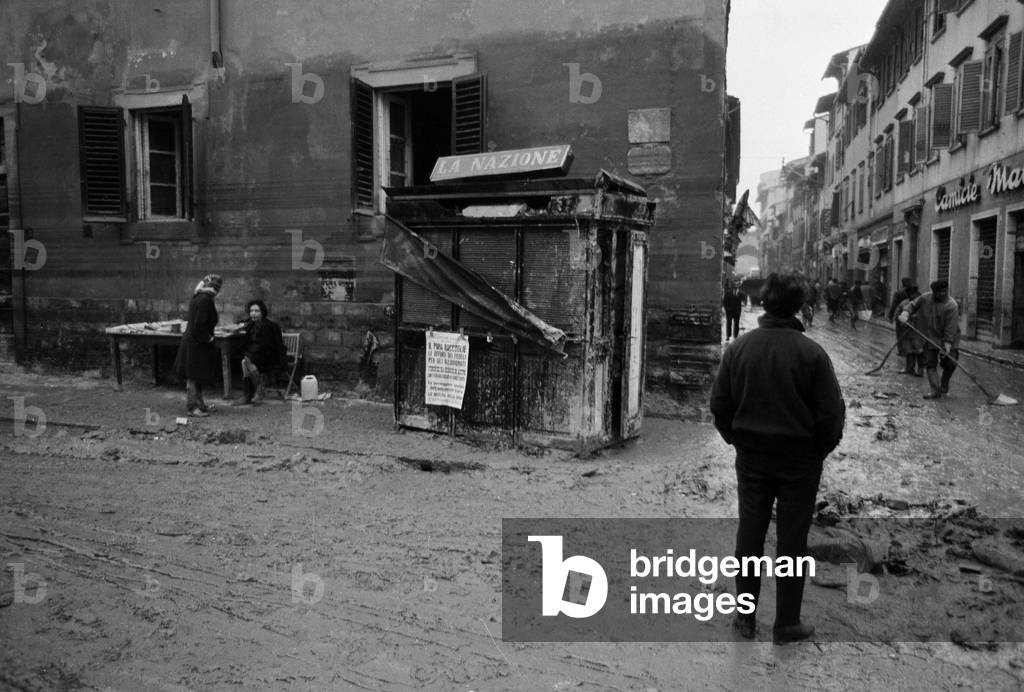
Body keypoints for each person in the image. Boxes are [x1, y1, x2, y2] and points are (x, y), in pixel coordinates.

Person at [710, 272, 846, 644]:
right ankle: (786, 623)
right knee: (792, 540)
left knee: (750, 535)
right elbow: (832, 415)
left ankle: (745, 619)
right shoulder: (812, 354)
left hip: (752, 458)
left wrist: (736, 439)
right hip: (799, 461)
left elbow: (719, 404)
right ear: (800, 306)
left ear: (765, 304)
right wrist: (817, 450)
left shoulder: (738, 349)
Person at [899, 279, 960, 399]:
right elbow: (912, 305)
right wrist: (906, 313)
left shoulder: (951, 306)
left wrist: (947, 345)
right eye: (939, 292)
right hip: (930, 336)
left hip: (950, 337)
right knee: (930, 363)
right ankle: (935, 390)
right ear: (933, 292)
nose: (942, 294)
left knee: (950, 363)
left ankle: (944, 384)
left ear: (947, 290)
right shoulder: (925, 298)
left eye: (944, 291)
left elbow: (950, 328)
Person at [174, 274, 223, 417]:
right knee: (193, 377)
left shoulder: (199, 297)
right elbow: (199, 326)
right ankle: (192, 407)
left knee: (197, 376)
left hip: (195, 343)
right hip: (196, 345)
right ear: (215, 288)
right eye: (217, 286)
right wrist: (208, 338)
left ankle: (200, 404)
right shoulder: (205, 300)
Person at [234, 299, 287, 406]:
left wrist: (250, 353)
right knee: (245, 362)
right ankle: (254, 391)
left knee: (246, 361)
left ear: (262, 312)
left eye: (257, 311)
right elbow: (246, 341)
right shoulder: (250, 325)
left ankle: (250, 393)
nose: (253, 313)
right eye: (251, 311)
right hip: (254, 356)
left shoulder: (270, 326)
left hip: (269, 356)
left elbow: (269, 346)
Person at [893, 284, 923, 376]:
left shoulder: (923, 302)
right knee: (909, 351)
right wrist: (904, 322)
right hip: (907, 332)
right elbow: (897, 315)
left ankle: (920, 370)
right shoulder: (903, 304)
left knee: (920, 351)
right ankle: (909, 368)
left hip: (920, 332)